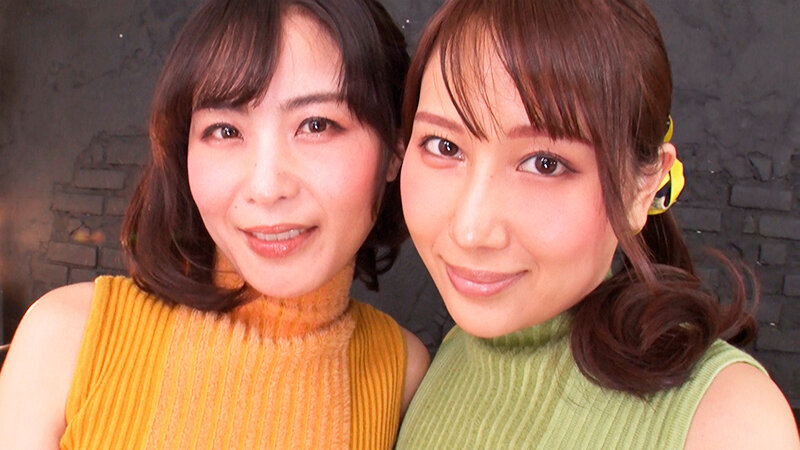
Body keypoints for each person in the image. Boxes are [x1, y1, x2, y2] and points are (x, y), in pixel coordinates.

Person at [0, 0, 429, 447]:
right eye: (225, 130)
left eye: (317, 125)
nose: (266, 187)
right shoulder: (67, 339)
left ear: (395, 149)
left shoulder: (400, 373)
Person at [395, 0, 799, 448]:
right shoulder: (439, 364)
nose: (470, 231)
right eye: (444, 146)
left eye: (545, 163)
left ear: (642, 188)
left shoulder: (729, 420)